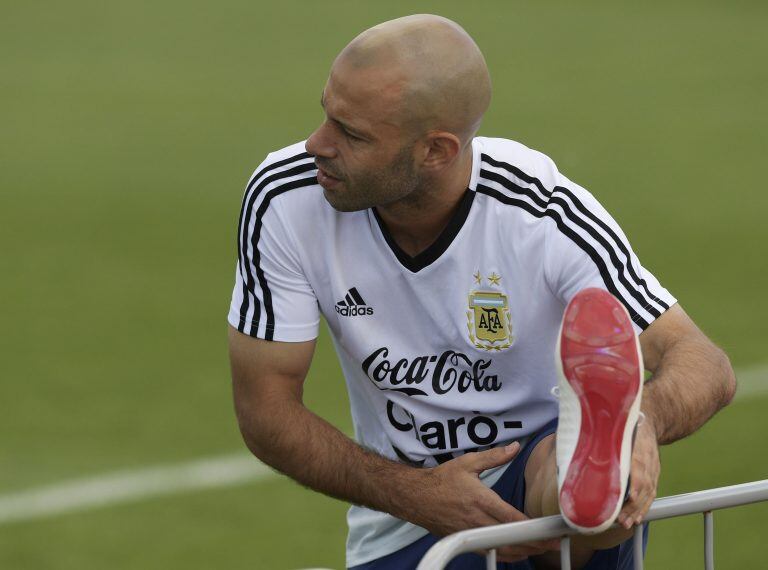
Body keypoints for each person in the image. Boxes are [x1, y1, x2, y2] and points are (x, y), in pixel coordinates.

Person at [227, 14, 736, 569]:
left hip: (535, 472)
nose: (316, 143)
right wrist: (417, 495)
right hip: (405, 518)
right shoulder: (286, 197)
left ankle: (598, 461)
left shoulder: (540, 211)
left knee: (575, 488)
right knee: (576, 496)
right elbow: (266, 408)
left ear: (437, 152)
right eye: (327, 113)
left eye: (351, 134)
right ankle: (594, 474)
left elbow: (701, 361)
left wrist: (645, 425)